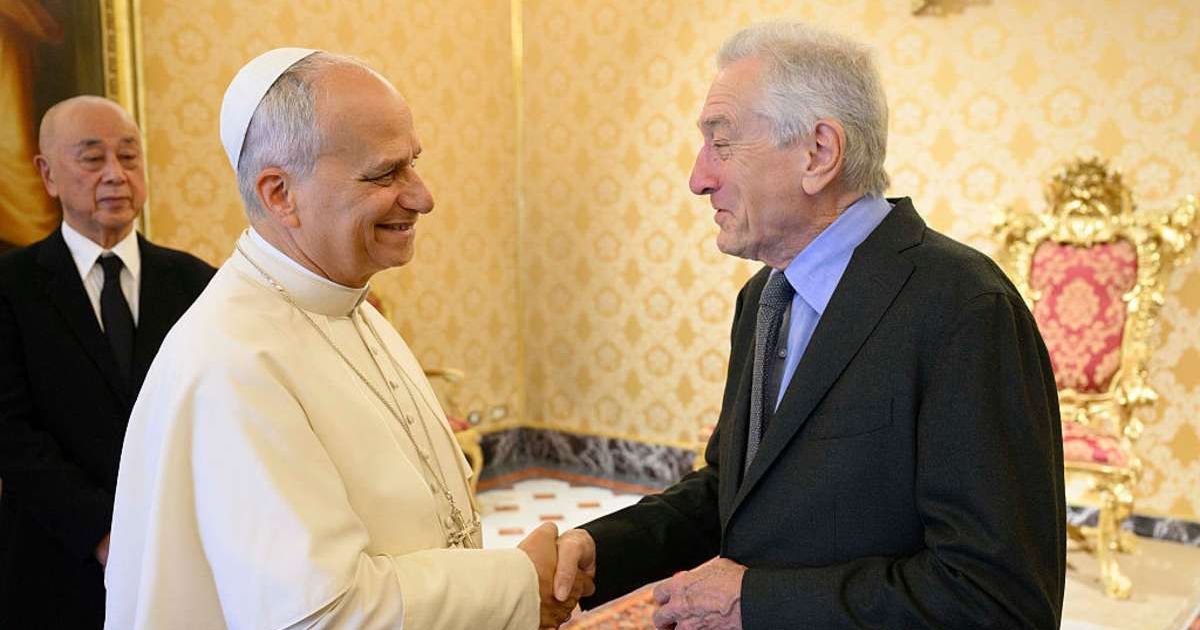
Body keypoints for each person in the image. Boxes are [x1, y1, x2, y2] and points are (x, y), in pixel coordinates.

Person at [552, 22, 1066, 630]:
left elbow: (1000, 598)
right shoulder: (764, 298)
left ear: (819, 153)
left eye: (721, 144)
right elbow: (738, 491)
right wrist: (603, 549)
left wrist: (759, 602)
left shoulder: (965, 310)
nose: (698, 179)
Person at [104, 49, 585, 629]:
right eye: (385, 174)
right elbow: (321, 615)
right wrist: (517, 581)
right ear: (280, 192)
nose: (422, 196)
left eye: (414, 164)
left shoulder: (351, 307)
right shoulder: (231, 362)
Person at [0, 95, 215, 628]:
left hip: (182, 558)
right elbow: (11, 432)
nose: (116, 175)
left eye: (130, 156)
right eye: (93, 159)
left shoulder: (199, 285)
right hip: (54, 561)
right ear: (47, 175)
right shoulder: (11, 287)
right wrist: (100, 531)